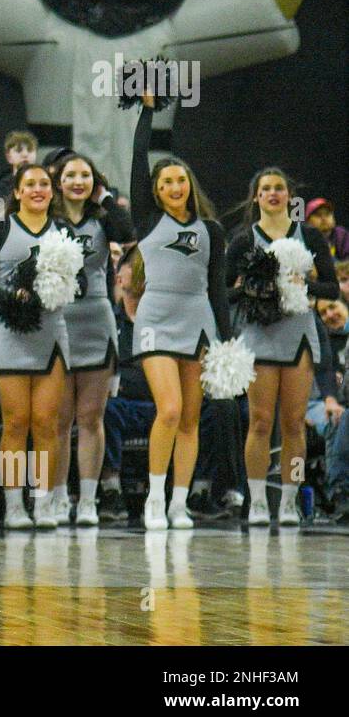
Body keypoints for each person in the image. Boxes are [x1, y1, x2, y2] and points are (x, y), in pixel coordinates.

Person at [127, 96, 230, 530]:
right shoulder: (148, 220)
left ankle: (178, 503)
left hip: (198, 322)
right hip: (156, 320)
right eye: (166, 181)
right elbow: (138, 159)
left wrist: (227, 344)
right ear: (155, 190)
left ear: (190, 185)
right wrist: (148, 111)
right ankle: (154, 500)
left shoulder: (212, 230)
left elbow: (217, 290)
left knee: (190, 418)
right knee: (168, 409)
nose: (174, 187)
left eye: (180, 180)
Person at [225, 167, 338, 526]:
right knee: (260, 422)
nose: (273, 193)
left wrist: (303, 286)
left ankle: (290, 499)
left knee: (294, 424)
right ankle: (258, 500)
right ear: (256, 196)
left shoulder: (309, 235)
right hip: (258, 336)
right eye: (266, 189)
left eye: (279, 188)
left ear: (290, 195)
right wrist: (251, 288)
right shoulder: (244, 240)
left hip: (298, 336)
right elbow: (223, 291)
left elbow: (332, 288)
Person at [0, 163, 69, 529]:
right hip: (11, 330)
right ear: (17, 192)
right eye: (30, 184)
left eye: (44, 183)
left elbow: (83, 283)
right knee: (16, 422)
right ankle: (14, 505)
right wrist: (9, 298)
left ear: (52, 191)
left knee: (46, 423)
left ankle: (43, 503)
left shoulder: (62, 231)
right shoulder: (0, 225)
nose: (38, 189)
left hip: (51, 331)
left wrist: (58, 288)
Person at [48, 150, 135, 526]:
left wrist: (106, 197)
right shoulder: (47, 219)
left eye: (85, 175)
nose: (77, 182)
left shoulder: (103, 219)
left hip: (96, 321)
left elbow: (128, 233)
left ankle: (87, 500)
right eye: (70, 175)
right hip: (58, 321)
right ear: (58, 181)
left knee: (91, 417)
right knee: (59, 420)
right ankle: (56, 497)